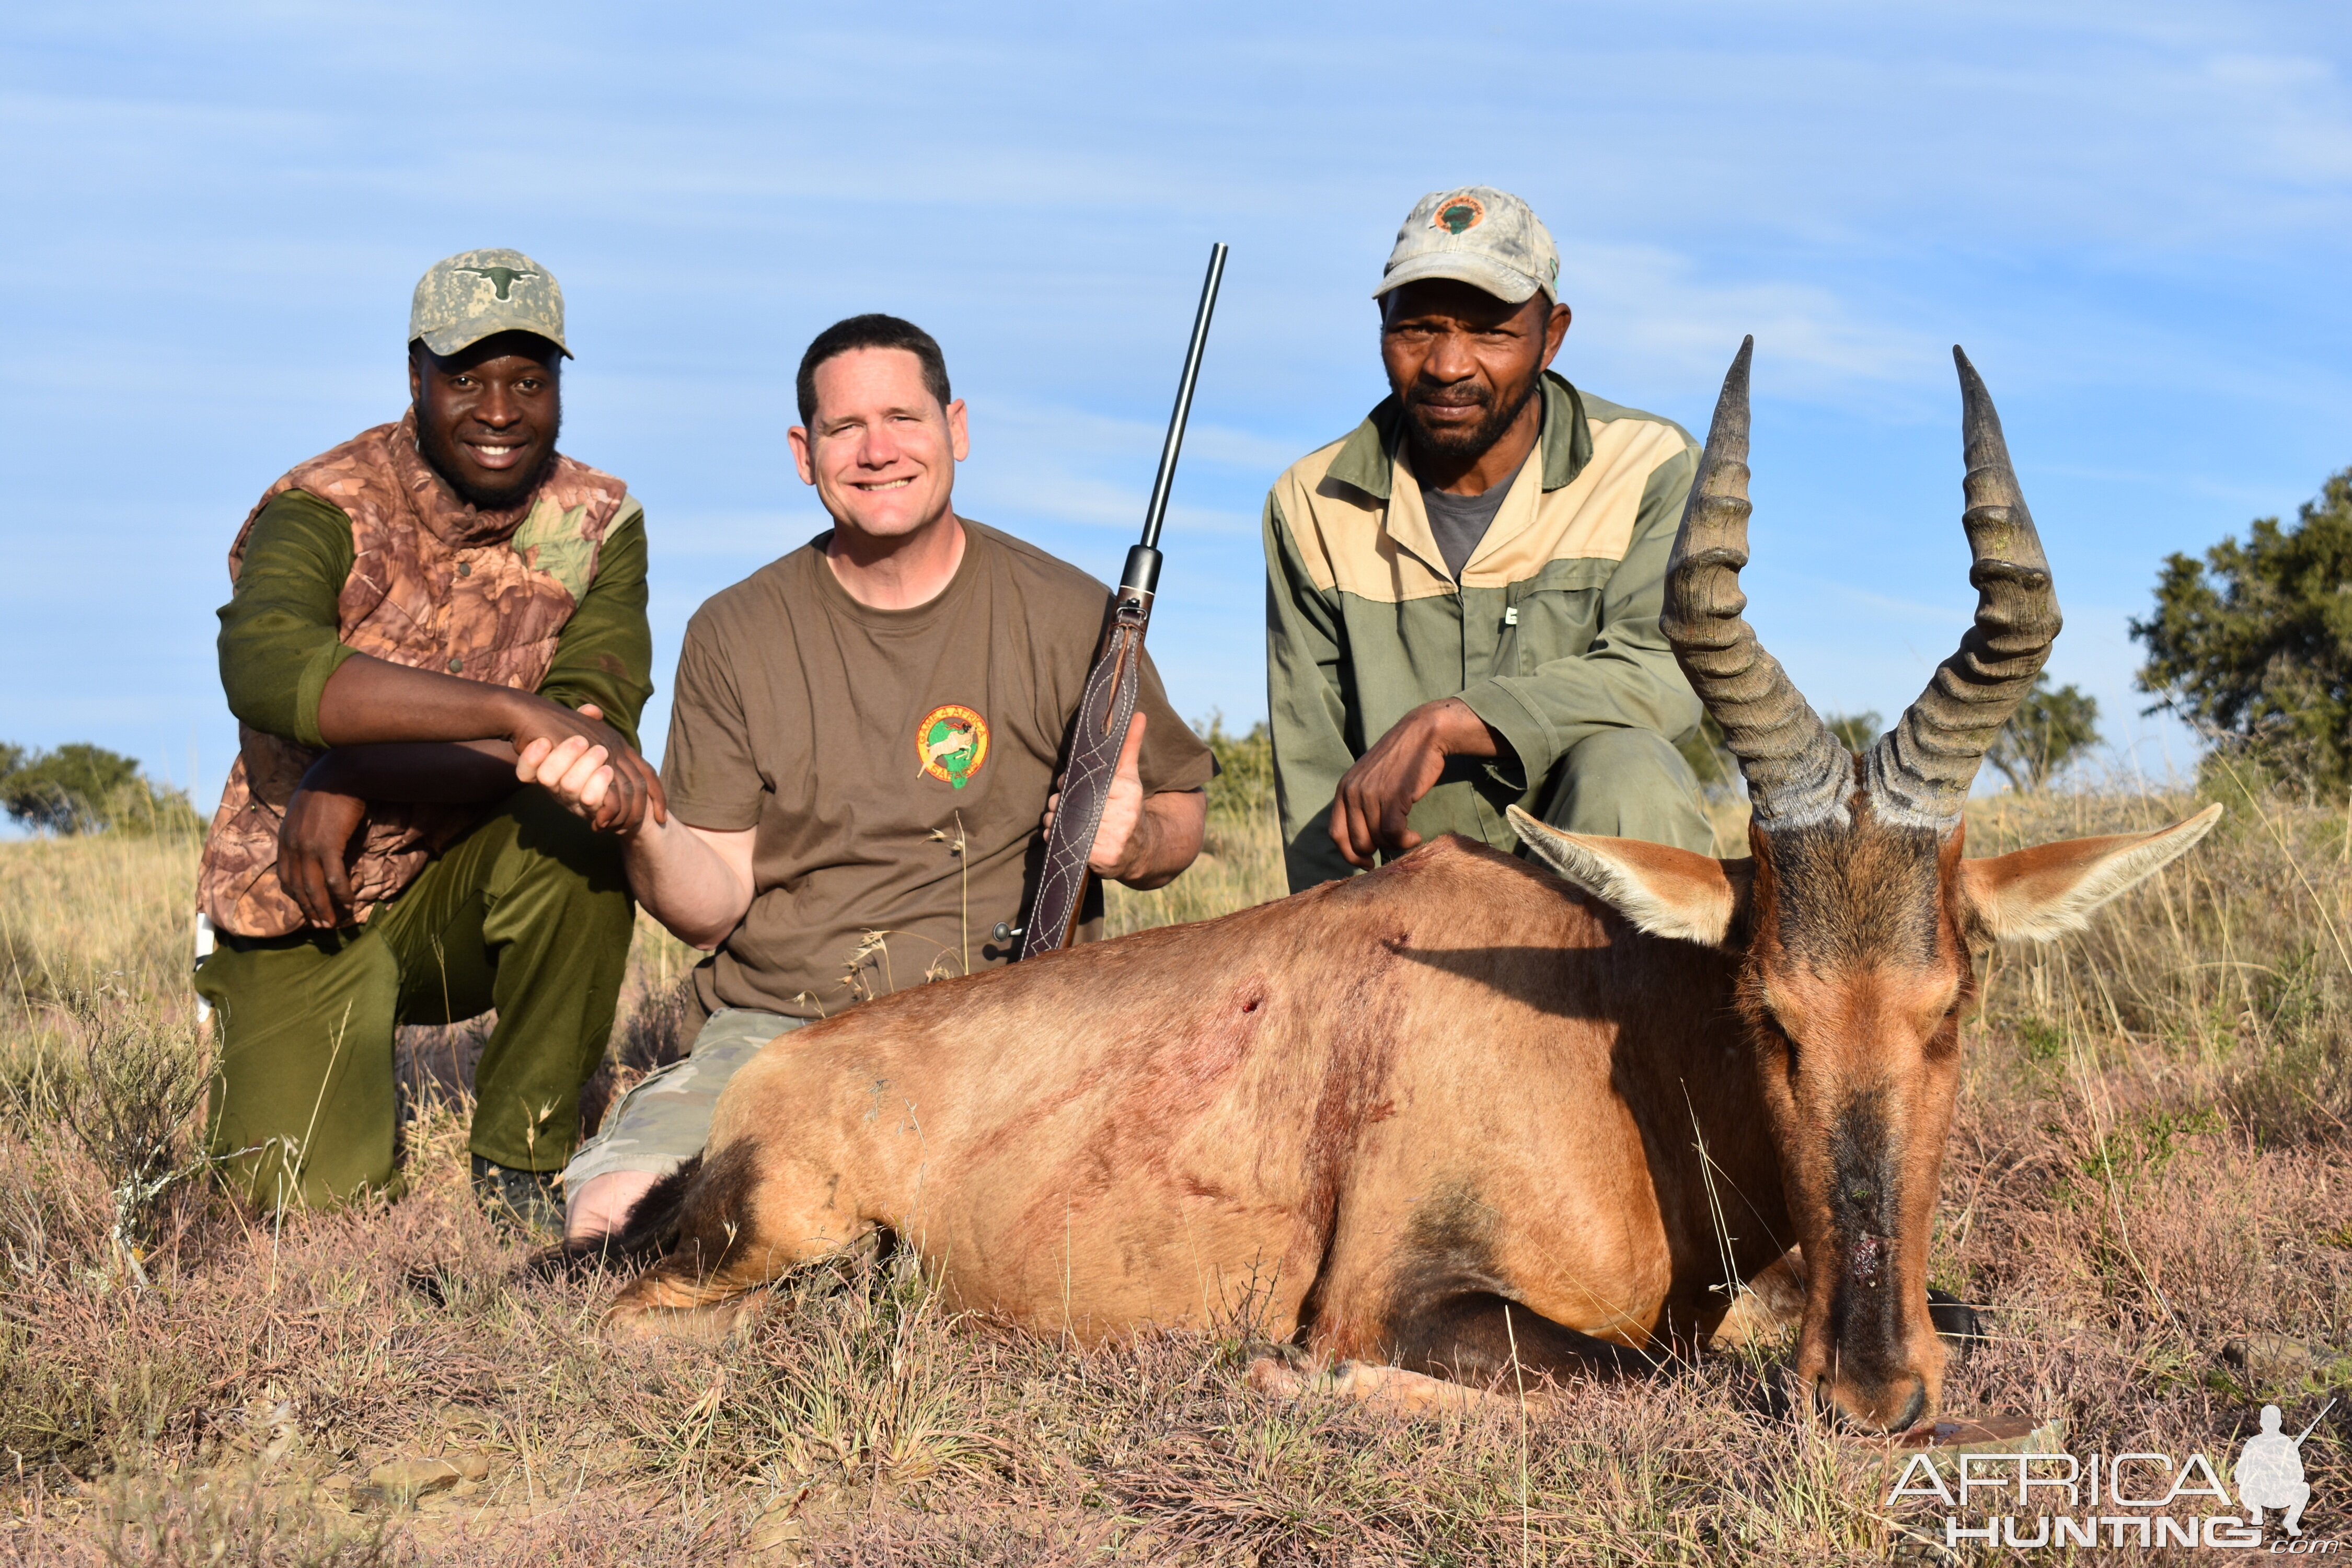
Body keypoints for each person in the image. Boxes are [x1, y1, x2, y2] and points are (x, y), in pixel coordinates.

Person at [545, 313, 1215, 1242]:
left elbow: (1181, 807)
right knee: (614, 1221)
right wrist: (639, 822)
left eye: (904, 418)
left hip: (1014, 1030)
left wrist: (1137, 841)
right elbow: (709, 906)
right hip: (784, 1028)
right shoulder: (734, 632)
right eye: (843, 428)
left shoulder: (1072, 615)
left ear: (958, 430)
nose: (877, 451)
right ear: (803, 452)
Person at [194, 249, 660, 1227]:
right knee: (305, 1211)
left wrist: (357, 760)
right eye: (467, 377)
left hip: (464, 887)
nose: (500, 411)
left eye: (529, 381)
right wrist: (511, 714)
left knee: (583, 820)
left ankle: (523, 1161)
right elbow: (269, 668)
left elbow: (591, 738)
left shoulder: (599, 522)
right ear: (416, 378)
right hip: (303, 890)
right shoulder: (321, 506)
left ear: (559, 386)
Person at [1263, 187, 1713, 893]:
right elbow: (1313, 766)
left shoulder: (1649, 464)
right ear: (1382, 322)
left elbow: (1664, 675)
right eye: (1417, 330)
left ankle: (1655, 1002)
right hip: (1410, 913)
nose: (1448, 365)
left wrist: (1453, 721)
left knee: (1627, 767)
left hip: (1588, 892)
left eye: (1491, 333)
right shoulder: (1311, 501)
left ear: (1552, 336)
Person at [2235, 1403, 2312, 1536]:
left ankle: (2291, 1521)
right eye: (2268, 1422)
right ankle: (2257, 1513)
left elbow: (2299, 1475)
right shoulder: (2253, 1443)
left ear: (2279, 1423)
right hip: (2258, 1494)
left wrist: (2282, 1476)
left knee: (2304, 1488)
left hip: (2280, 1493)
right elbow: (2240, 1474)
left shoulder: (2287, 1444)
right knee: (2244, 1487)